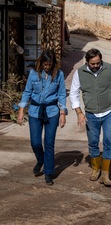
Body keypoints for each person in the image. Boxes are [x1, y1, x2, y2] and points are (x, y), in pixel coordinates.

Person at [69, 48, 111, 187]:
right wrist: (79, 112)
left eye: (98, 63)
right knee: (93, 141)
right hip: (91, 113)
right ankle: (96, 168)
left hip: (109, 112)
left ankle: (105, 173)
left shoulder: (110, 68)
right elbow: (73, 93)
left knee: (108, 141)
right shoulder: (79, 73)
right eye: (92, 64)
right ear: (87, 62)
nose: (96, 66)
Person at [17, 49, 67, 186]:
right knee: (35, 142)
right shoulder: (34, 74)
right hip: (35, 111)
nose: (47, 67)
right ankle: (41, 160)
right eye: (45, 65)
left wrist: (63, 113)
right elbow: (27, 92)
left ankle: (48, 172)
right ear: (41, 63)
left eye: (49, 65)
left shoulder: (59, 75)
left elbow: (62, 94)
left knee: (49, 143)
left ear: (53, 64)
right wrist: (21, 110)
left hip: (52, 111)